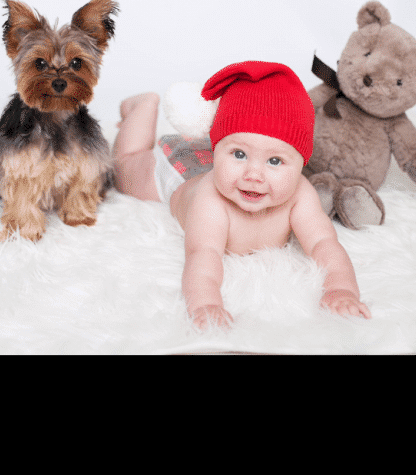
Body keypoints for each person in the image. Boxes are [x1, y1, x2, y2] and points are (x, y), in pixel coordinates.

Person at [113, 61, 371, 329]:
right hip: (182, 170)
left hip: (219, 150)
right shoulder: (211, 200)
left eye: (274, 161)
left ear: (302, 163)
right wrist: (205, 304)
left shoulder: (300, 195)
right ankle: (143, 106)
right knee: (123, 168)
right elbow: (203, 254)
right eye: (239, 155)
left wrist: (341, 289)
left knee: (249, 145)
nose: (253, 175)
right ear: (217, 149)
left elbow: (323, 244)